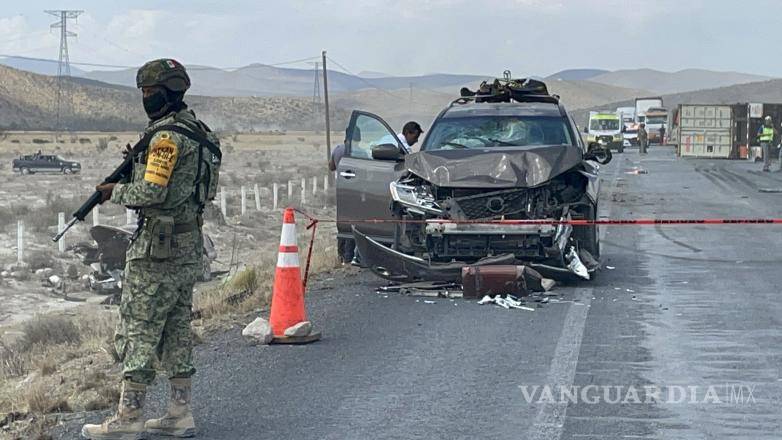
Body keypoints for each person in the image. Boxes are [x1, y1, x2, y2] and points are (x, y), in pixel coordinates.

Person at [82, 59, 220, 439]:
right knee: (176, 328)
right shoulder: (199, 132)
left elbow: (152, 192)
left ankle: (128, 419)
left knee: (139, 329)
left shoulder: (166, 138)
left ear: (166, 92)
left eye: (148, 92)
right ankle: (179, 411)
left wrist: (117, 191)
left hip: (157, 249)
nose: (145, 99)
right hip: (188, 244)